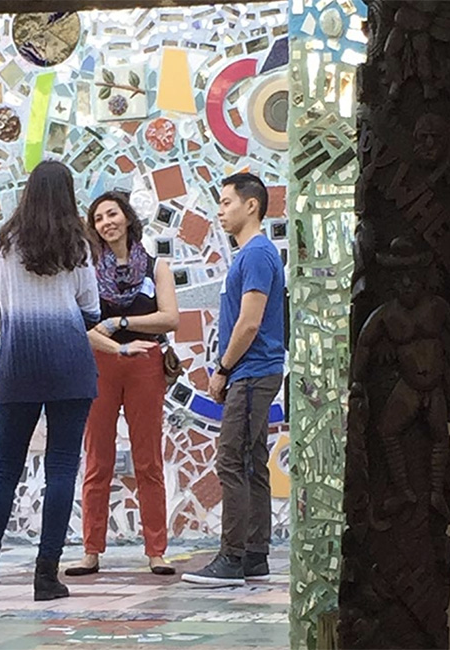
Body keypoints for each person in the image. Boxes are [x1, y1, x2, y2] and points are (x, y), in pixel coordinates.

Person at [0, 160, 100, 602]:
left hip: (18, 367)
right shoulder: (78, 244)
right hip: (71, 366)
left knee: (1, 472)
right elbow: (90, 310)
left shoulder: (1, 243)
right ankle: (46, 576)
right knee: (60, 471)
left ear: (28, 192)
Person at [64, 191, 179, 578]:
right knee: (98, 458)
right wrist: (111, 338)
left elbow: (170, 318)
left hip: (146, 364)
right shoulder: (88, 269)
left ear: (127, 218)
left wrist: (122, 324)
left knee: (148, 459)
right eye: (98, 218)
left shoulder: (156, 266)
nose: (106, 222)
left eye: (112, 214)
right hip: (99, 363)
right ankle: (91, 550)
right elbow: (83, 319)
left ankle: (156, 551)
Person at [180, 173, 285, 587]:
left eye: (226, 203)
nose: (220, 211)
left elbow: (249, 323)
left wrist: (221, 369)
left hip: (252, 371)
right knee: (252, 461)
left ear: (251, 206)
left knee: (230, 459)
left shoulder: (257, 254)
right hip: (253, 370)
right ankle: (254, 554)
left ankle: (232, 556)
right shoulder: (249, 255)